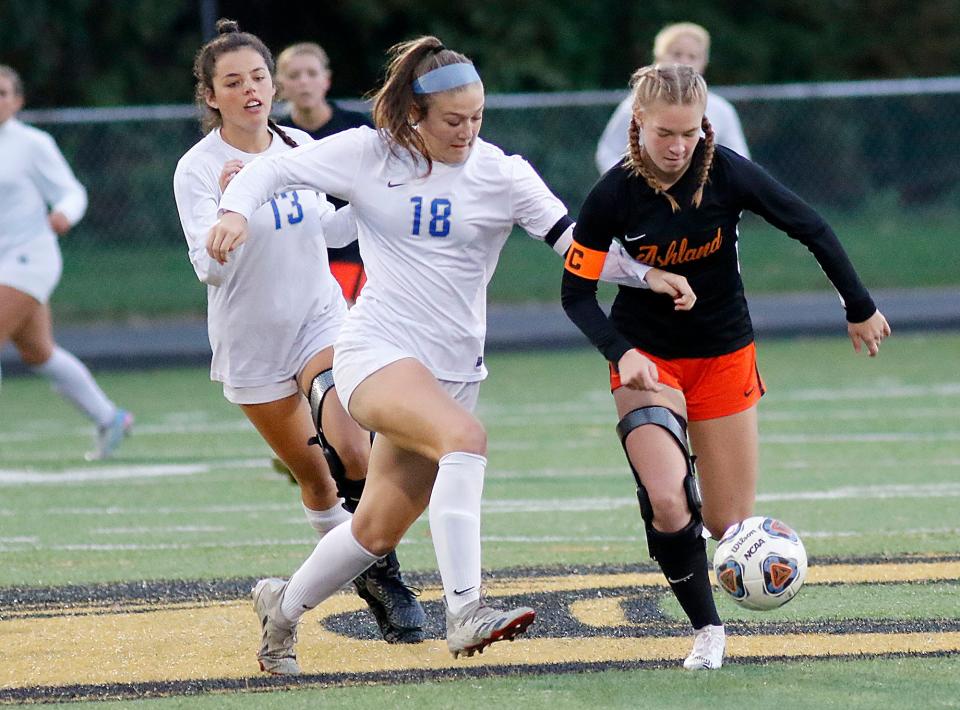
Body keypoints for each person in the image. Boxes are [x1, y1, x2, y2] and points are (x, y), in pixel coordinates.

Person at [209, 36, 688, 674]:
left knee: (375, 530)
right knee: (465, 437)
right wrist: (235, 211)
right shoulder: (367, 153)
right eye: (453, 121)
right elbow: (271, 169)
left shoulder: (502, 172)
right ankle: (465, 610)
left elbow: (571, 242)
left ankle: (283, 610)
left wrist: (643, 275)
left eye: (478, 118)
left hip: (455, 369)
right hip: (375, 348)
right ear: (415, 116)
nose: (468, 132)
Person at [562, 63, 891, 670]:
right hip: (647, 360)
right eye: (665, 132)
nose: (678, 146)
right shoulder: (612, 194)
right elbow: (575, 294)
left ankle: (695, 520)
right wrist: (621, 351)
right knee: (666, 500)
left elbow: (810, 226)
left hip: (723, 354)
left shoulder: (728, 173)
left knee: (727, 526)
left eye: (689, 132)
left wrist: (859, 306)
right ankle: (707, 631)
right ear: (639, 124)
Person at [172, 20, 426, 652]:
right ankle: (289, 606)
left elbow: (332, 231)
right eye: (233, 82)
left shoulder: (296, 146)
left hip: (321, 319)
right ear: (211, 95)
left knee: (355, 447)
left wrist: (381, 197)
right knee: (317, 481)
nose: (251, 91)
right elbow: (209, 267)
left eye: (258, 77)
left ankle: (387, 582)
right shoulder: (198, 169)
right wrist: (239, 205)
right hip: (253, 341)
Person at [0, 64, 133, 461]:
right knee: (38, 352)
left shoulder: (31, 143)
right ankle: (111, 418)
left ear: (18, 101)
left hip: (29, 259)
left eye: (4, 93)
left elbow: (72, 192)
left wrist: (64, 214)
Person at [276, 42, 373, 305]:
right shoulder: (274, 136)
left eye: (311, 73)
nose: (304, 82)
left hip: (352, 252)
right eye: (294, 75)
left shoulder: (356, 128)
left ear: (326, 80)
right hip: (299, 256)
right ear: (280, 85)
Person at [595, 22, 750, 174]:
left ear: (704, 63)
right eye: (676, 54)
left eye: (692, 56)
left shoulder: (721, 109)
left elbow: (739, 160)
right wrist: (629, 186)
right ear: (659, 57)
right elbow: (608, 152)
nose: (684, 62)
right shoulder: (636, 105)